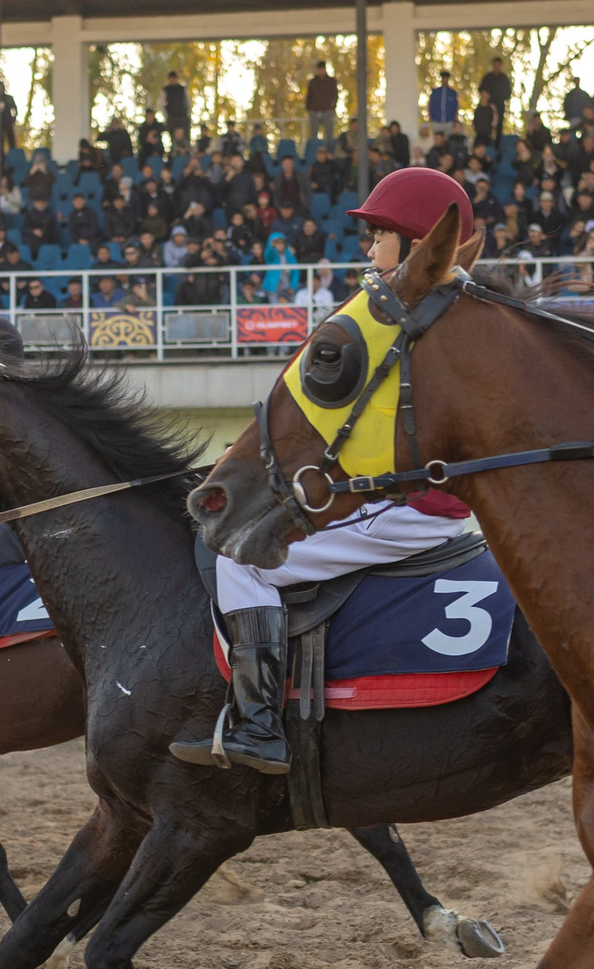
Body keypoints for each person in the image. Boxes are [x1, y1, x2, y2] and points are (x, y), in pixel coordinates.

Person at [168, 165, 486, 776]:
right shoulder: (438, 306)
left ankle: (257, 722)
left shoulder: (411, 316)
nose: (368, 249)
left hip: (412, 509)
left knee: (242, 559)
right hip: (415, 500)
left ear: (419, 245)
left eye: (379, 236)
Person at [305, 59, 339, 145]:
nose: (320, 71)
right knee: (313, 133)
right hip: (314, 110)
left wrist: (332, 108)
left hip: (327, 110)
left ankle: (329, 152)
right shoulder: (313, 82)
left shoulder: (331, 81)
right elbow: (309, 96)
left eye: (322, 69)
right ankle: (314, 150)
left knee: (329, 133)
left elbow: (335, 95)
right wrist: (309, 108)